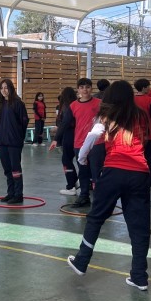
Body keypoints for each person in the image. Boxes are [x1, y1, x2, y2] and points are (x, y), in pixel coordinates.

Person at [67, 80, 151, 290]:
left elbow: (90, 139)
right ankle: (139, 276)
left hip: (114, 171)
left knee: (96, 218)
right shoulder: (141, 115)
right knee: (139, 227)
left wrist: (82, 159)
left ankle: (82, 261)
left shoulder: (105, 116)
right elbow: (147, 140)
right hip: (140, 174)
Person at [69, 78, 103, 208]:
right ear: (78, 89)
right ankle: (84, 196)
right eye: (82, 87)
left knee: (96, 172)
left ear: (91, 88)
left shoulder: (99, 103)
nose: (85, 90)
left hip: (96, 142)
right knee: (83, 171)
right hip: (79, 143)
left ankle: (100, 199)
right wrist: (57, 138)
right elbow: (66, 122)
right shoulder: (73, 105)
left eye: (87, 87)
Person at [0, 78, 29, 204]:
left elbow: (24, 121)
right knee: (7, 169)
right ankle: (11, 193)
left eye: (6, 88)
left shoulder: (18, 103)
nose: (4, 90)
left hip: (14, 142)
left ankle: (18, 194)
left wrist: (19, 137)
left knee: (15, 169)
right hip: (2, 142)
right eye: (1, 88)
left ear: (10, 89)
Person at [50, 87, 78, 196]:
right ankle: (75, 181)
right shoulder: (76, 104)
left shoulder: (67, 107)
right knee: (74, 160)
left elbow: (65, 123)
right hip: (78, 136)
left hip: (69, 135)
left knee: (66, 160)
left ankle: (71, 186)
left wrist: (56, 138)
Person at [134, 78, 151, 167]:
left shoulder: (131, 99)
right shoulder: (150, 100)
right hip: (149, 133)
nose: (149, 88)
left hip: (134, 133)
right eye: (148, 86)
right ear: (144, 88)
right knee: (149, 159)